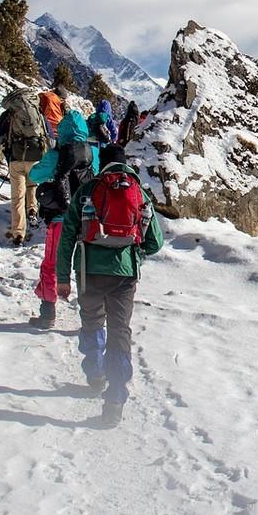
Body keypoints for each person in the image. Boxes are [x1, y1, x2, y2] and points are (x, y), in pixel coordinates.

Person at [57, 144, 163, 427]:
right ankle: (115, 401)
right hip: (125, 274)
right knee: (120, 333)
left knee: (91, 321)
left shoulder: (88, 190)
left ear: (102, 164)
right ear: (124, 163)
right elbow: (155, 243)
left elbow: (67, 234)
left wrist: (63, 277)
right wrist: (134, 251)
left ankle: (95, 374)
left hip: (88, 270)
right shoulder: (139, 192)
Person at [27, 111, 98, 329]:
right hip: (87, 219)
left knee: (51, 264)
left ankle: (47, 312)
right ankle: (92, 318)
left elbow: (34, 176)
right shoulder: (93, 153)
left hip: (60, 218)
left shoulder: (56, 154)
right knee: (88, 267)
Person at [0, 88, 48, 246]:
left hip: (16, 158)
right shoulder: (37, 111)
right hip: (36, 157)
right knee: (33, 185)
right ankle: (32, 211)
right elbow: (48, 133)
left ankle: (18, 232)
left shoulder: (10, 113)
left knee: (17, 196)